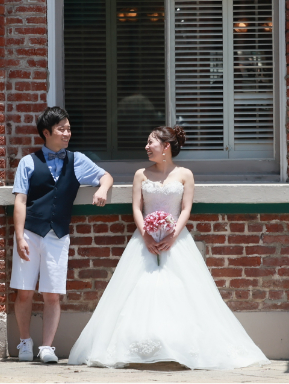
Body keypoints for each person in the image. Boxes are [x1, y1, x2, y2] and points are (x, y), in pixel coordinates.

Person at [67, 125, 269, 369]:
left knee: (184, 292)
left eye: (150, 142)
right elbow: (137, 208)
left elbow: (185, 208)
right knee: (140, 290)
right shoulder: (141, 174)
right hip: (145, 241)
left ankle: (181, 348)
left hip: (177, 241)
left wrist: (173, 234)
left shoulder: (185, 174)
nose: (146, 147)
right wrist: (147, 237)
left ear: (165, 147)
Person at [11, 106, 114, 363]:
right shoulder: (28, 162)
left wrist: (102, 190)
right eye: (62, 129)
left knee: (52, 294)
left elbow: (106, 176)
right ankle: (25, 342)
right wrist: (19, 236)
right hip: (31, 233)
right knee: (24, 291)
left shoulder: (77, 160)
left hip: (58, 235)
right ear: (47, 132)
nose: (67, 133)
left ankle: (47, 347)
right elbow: (20, 201)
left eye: (69, 128)